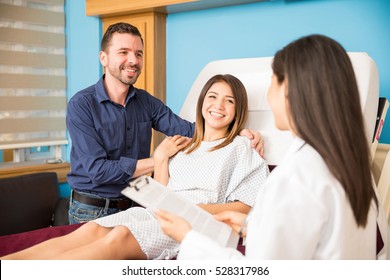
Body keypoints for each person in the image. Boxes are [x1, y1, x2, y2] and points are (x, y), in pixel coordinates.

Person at [156, 34, 380, 259]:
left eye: (273, 81)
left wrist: (188, 238)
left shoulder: (294, 178)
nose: (267, 95)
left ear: (290, 91)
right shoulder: (355, 172)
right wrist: (250, 227)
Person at [2, 74, 269, 260]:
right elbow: (161, 192)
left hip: (191, 222)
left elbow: (245, 207)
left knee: (118, 238)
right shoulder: (185, 144)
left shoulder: (242, 149)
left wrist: (190, 210)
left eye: (229, 100)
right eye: (213, 96)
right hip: (156, 213)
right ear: (202, 103)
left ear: (238, 110)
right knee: (92, 229)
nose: (218, 105)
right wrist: (161, 157)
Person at [66, 22, 263, 224]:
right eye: (123, 52)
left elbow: (192, 131)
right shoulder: (81, 105)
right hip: (91, 208)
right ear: (104, 58)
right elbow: (98, 171)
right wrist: (159, 159)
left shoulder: (146, 102)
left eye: (138, 54)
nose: (133, 60)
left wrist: (238, 132)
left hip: (137, 206)